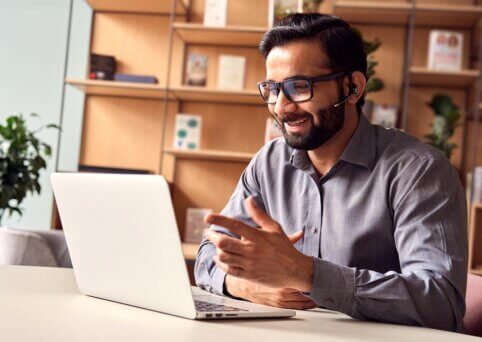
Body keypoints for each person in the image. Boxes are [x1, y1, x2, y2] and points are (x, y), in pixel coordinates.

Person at [194, 13, 467, 332]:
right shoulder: (269, 163)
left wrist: (306, 274)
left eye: (299, 86)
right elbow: (208, 257)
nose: (281, 107)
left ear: (353, 88)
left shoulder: (419, 170)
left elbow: (440, 303)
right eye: (272, 89)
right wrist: (248, 287)